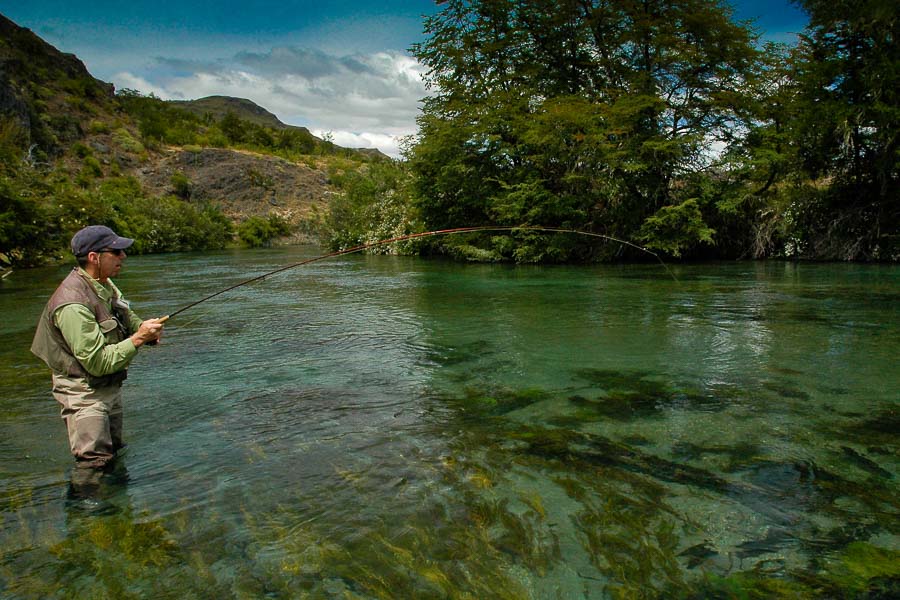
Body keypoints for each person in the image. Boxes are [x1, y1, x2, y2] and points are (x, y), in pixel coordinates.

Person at [31, 225, 166, 469]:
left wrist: (143, 328)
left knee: (114, 452)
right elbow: (98, 362)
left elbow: (125, 314)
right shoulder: (72, 305)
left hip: (107, 387)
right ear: (94, 257)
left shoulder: (104, 284)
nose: (123, 256)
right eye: (116, 252)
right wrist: (138, 339)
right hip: (84, 394)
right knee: (93, 465)